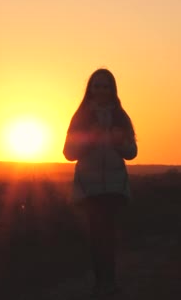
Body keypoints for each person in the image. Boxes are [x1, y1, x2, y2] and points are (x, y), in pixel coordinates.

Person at [63, 68, 137, 297]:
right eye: (97, 85)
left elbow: (132, 152)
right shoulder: (81, 118)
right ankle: (101, 283)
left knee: (109, 236)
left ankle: (110, 282)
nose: (102, 90)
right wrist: (90, 139)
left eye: (106, 86)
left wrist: (119, 142)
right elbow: (68, 153)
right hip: (89, 187)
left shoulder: (120, 117)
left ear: (112, 89)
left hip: (115, 186)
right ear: (90, 89)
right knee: (97, 237)